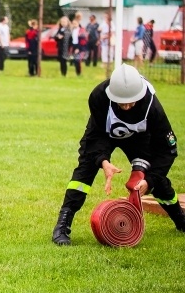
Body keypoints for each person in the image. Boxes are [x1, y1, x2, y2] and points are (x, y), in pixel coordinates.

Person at [52, 64, 183, 245]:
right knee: (84, 172)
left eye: (132, 102)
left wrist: (149, 180)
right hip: (104, 133)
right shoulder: (98, 97)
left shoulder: (152, 107)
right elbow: (96, 136)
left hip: (139, 139)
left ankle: (180, 220)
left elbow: (167, 150)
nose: (128, 106)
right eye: (122, 102)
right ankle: (63, 224)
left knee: (156, 179)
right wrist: (103, 161)